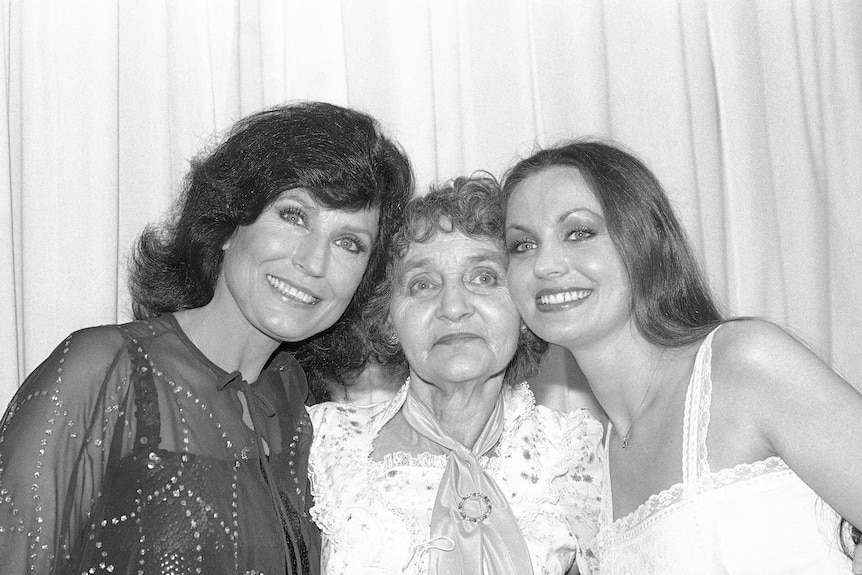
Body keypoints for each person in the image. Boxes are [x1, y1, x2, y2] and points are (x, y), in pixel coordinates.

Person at [0, 101, 412, 575]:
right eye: (294, 215)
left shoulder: (295, 405)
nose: (314, 262)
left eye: (349, 242)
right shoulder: (106, 369)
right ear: (227, 223)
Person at [502, 140, 862, 573]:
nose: (546, 264)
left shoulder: (744, 363)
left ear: (645, 241)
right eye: (522, 245)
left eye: (579, 233)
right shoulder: (590, 467)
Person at [307, 176, 603, 574]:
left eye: (483, 277)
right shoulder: (322, 442)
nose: (453, 306)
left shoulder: (575, 454)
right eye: (422, 283)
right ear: (388, 319)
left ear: (523, 310)